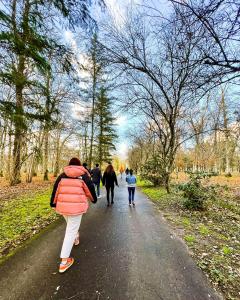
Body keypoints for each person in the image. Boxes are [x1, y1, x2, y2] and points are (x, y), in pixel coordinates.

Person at [50, 157, 97, 273]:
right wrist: (94, 199)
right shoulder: (83, 176)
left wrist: (53, 203)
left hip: (63, 208)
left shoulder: (62, 175)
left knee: (71, 226)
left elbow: (56, 189)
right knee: (70, 230)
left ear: (69, 165)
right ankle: (64, 262)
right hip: (76, 209)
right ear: (79, 165)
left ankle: (76, 238)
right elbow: (90, 189)